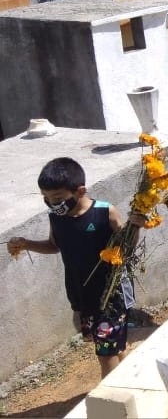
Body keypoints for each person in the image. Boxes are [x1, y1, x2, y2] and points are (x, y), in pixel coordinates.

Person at [6, 158, 137, 377]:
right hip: (81, 297)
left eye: (57, 198)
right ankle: (130, 378)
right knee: (112, 346)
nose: (52, 203)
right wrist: (26, 244)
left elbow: (127, 246)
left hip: (111, 296)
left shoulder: (105, 213)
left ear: (80, 191)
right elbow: (54, 246)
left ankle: (112, 394)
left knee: (105, 354)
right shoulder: (56, 219)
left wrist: (136, 226)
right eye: (46, 198)